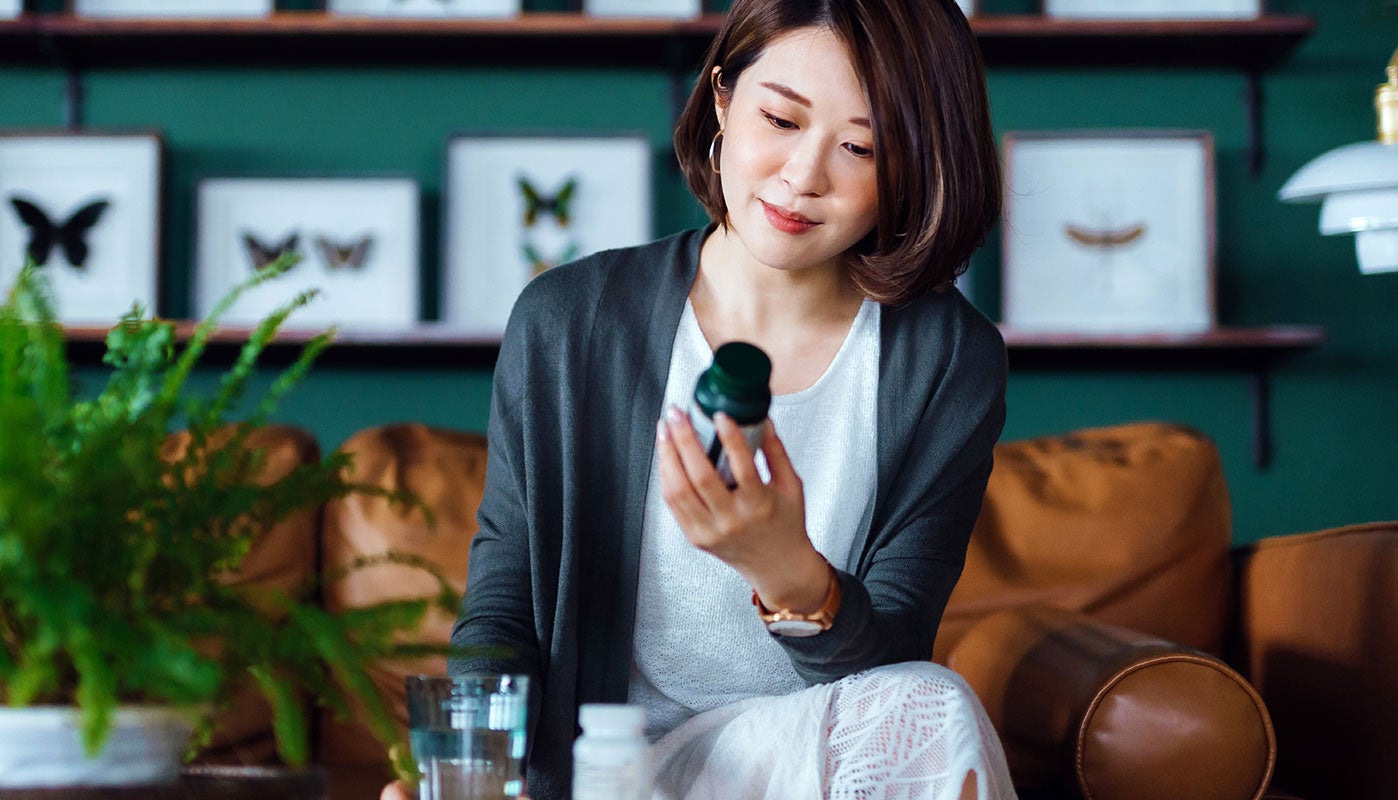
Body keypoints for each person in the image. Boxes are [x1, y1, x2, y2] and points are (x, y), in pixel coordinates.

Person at [385, 0, 1011, 797]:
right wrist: (462, 777)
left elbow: (889, 665)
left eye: (859, 147)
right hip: (605, 770)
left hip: (815, 766)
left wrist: (786, 572)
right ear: (722, 99)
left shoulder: (947, 358)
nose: (803, 177)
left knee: (929, 702)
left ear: (916, 168)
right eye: (780, 120)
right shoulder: (572, 319)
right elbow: (504, 604)